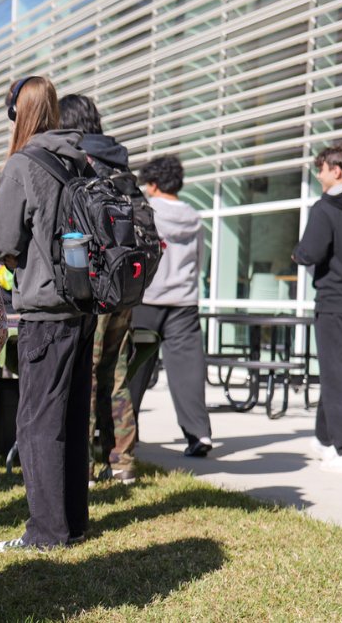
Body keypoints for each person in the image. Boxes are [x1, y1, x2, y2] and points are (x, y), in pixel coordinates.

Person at [0, 76, 94, 552]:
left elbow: (3, 244)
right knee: (72, 417)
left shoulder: (23, 164)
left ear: (17, 112)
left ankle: (47, 532)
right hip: (83, 306)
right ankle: (73, 520)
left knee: (36, 423)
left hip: (45, 310)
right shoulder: (82, 158)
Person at [58, 95, 140, 485]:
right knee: (115, 372)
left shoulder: (77, 160)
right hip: (125, 282)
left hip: (92, 282)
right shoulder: (118, 161)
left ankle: (83, 466)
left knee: (85, 373)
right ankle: (122, 461)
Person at [127, 155, 213, 457]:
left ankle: (127, 433)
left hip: (147, 299)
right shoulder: (194, 217)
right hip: (184, 302)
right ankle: (199, 435)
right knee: (188, 370)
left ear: (152, 183)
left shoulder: (146, 211)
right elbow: (200, 261)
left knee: (134, 367)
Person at [293, 143, 342, 476]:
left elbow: (309, 253)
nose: (318, 174)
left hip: (336, 303)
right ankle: (326, 439)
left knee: (336, 376)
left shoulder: (324, 208)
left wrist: (297, 254)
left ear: (336, 170)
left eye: (320, 168)